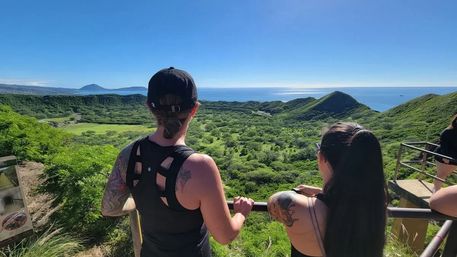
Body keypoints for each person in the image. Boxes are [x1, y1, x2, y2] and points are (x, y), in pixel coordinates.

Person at [101, 67, 254, 257]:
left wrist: (141, 201)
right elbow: (225, 236)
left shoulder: (129, 154)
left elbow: (109, 207)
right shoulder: (200, 167)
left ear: (149, 106)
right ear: (195, 108)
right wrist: (242, 212)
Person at [268, 122, 387, 257]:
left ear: (321, 157)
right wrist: (321, 191)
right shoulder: (375, 203)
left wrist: (316, 192)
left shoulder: (301, 209)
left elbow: (275, 201)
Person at [433, 114, 457, 192]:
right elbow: (444, 145)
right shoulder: (448, 131)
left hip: (453, 158)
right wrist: (446, 157)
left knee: (444, 175)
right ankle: (435, 192)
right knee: (442, 175)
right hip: (443, 157)